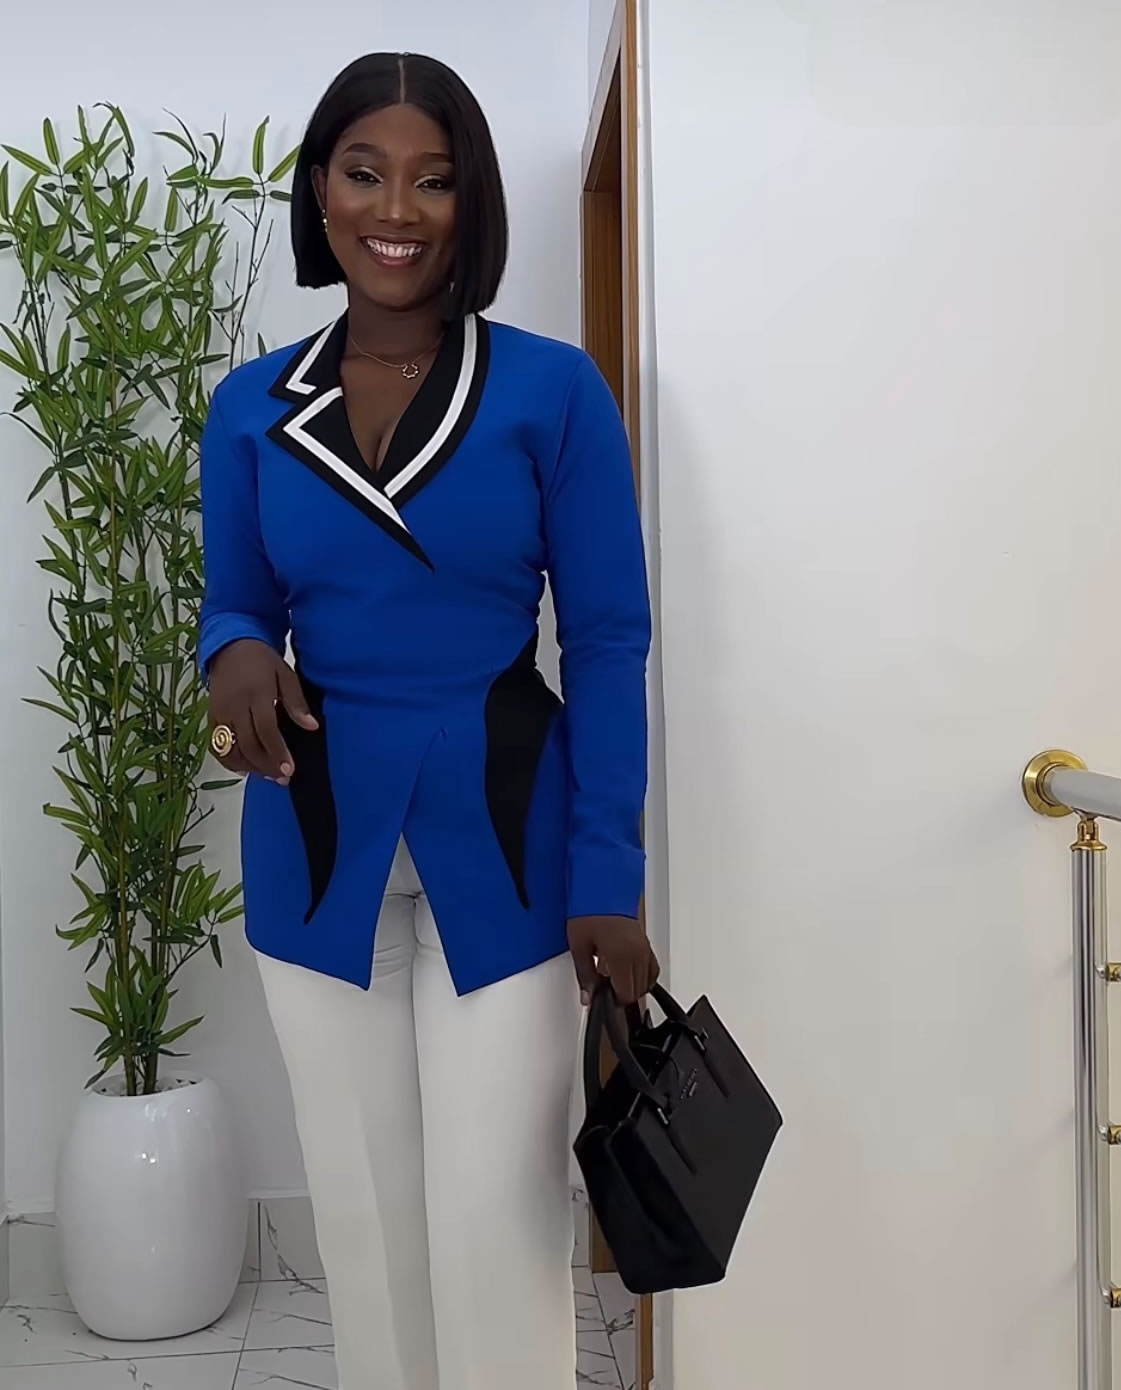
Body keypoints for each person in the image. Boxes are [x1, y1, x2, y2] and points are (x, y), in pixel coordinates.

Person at [198, 51, 656, 1390]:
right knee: (363, 1226)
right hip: (314, 835)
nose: (396, 208)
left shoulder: (550, 390)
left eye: (434, 179)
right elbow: (237, 599)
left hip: (507, 839)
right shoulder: (250, 407)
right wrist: (231, 652)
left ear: (472, 202)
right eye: (364, 171)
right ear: (319, 191)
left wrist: (609, 873)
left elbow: (608, 639)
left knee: (495, 1225)